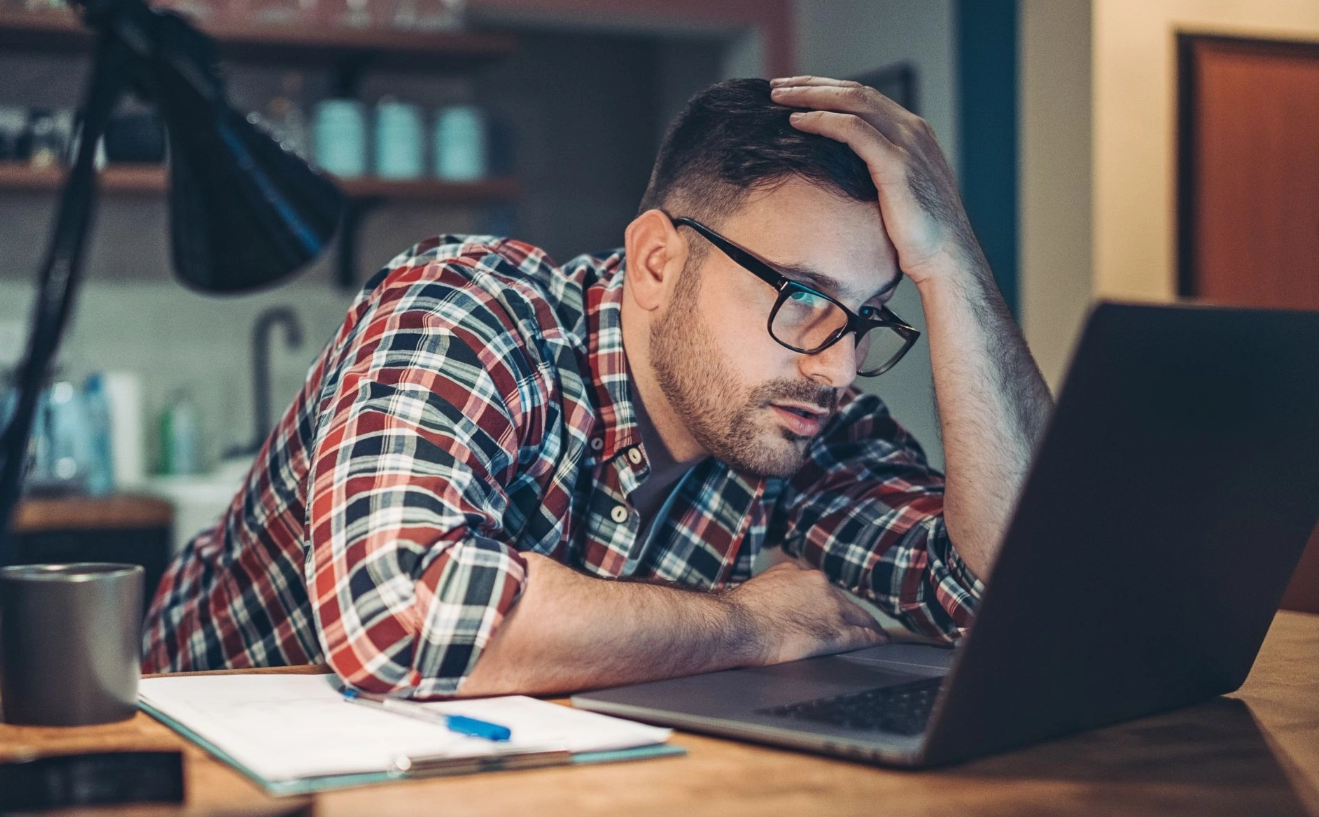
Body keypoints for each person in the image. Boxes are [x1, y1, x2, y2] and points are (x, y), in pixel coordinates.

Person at [142, 76, 1053, 698]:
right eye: (805, 298)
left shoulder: (806, 417)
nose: (839, 366)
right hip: (188, 767)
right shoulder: (475, 307)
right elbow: (402, 613)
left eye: (868, 318)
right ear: (656, 261)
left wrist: (956, 266)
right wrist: (747, 624)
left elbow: (1007, 594)